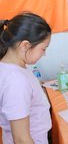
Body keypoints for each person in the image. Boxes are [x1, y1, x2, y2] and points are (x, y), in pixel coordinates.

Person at [0, 12, 52, 144]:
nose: (44, 54)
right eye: (43, 48)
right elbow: (22, 139)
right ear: (25, 45)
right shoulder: (16, 81)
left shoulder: (14, 67)